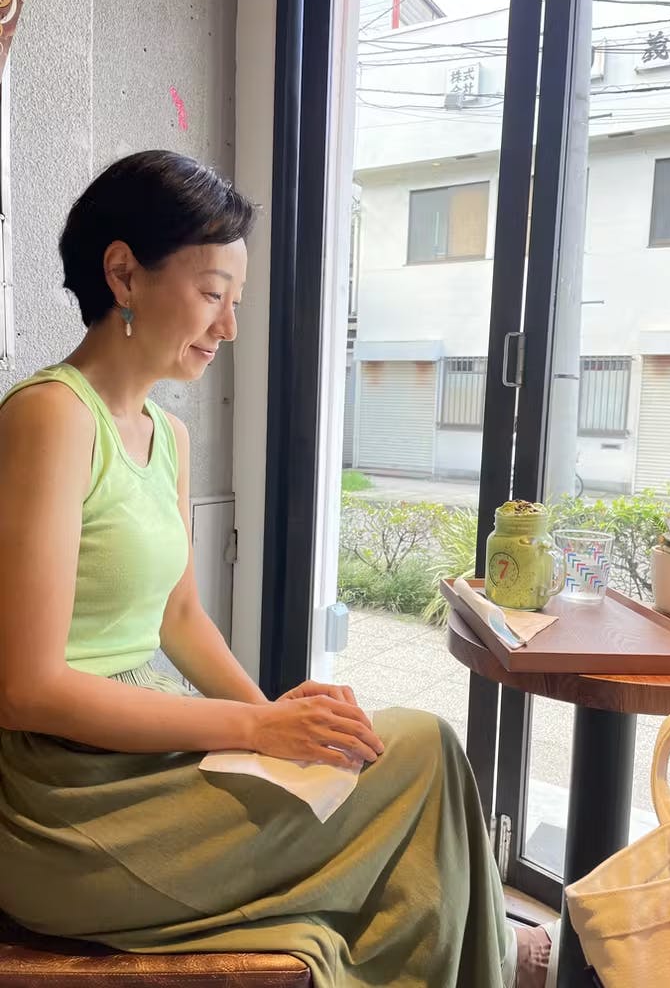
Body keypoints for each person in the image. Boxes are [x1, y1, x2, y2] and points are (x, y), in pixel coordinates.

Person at [0, 150, 556, 988]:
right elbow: (27, 688)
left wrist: (279, 728)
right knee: (421, 757)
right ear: (122, 273)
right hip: (63, 801)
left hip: (133, 764)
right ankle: (488, 954)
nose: (227, 327)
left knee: (399, 759)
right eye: (212, 295)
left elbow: (177, 619)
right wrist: (256, 732)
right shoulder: (50, 418)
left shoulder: (167, 435)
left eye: (237, 302)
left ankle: (474, 950)